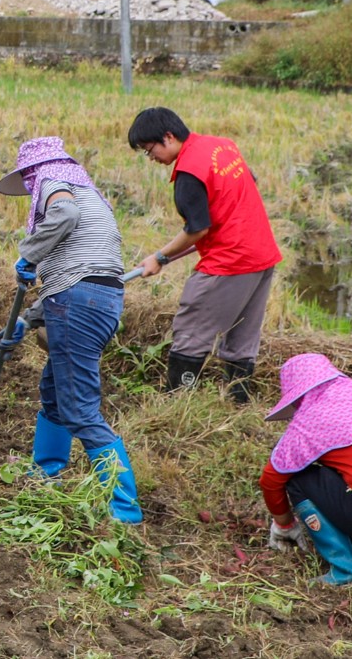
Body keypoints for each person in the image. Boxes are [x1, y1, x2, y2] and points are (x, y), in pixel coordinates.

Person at [0, 137, 142, 523]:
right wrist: (28, 320)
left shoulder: (54, 183)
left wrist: (29, 252)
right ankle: (46, 474)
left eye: (28, 181)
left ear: (34, 171)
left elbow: (63, 217)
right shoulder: (89, 194)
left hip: (79, 302)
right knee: (56, 393)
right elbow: (81, 276)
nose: (30, 189)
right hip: (95, 299)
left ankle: (124, 509)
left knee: (79, 408)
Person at [127, 107, 281, 401]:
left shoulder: (187, 174)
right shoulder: (221, 145)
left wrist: (159, 258)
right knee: (242, 334)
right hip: (262, 254)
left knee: (191, 327)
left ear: (168, 137)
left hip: (231, 261)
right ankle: (238, 403)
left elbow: (197, 229)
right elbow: (250, 180)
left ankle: (178, 403)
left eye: (150, 151)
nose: (151, 159)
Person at [259, 353, 352, 585]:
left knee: (298, 479)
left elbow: (270, 480)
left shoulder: (308, 423)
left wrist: (284, 525)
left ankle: (344, 569)